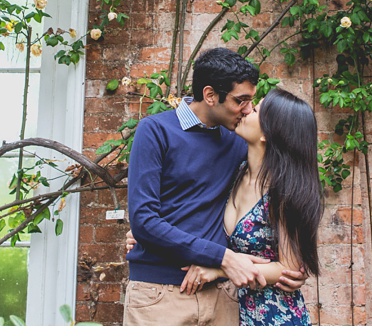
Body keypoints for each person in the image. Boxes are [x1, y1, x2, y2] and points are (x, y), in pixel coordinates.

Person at [124, 48, 305, 326]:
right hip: (159, 294)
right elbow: (145, 220)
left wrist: (286, 265)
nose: (247, 109)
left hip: (223, 296)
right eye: (240, 100)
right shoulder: (155, 131)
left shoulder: (238, 139)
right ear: (210, 95)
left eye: (250, 101)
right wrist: (224, 258)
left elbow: (285, 176)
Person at [179, 87, 323, 326]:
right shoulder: (236, 171)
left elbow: (288, 268)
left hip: (274, 315)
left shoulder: (282, 191)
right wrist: (146, 234)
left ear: (268, 133)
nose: (246, 110)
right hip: (232, 309)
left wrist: (221, 269)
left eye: (255, 110)